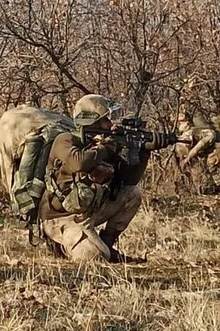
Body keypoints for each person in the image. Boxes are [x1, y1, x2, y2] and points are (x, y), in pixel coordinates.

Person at [38, 94, 174, 263]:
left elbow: (128, 180)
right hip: (60, 217)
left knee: (132, 194)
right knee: (96, 256)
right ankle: (60, 243)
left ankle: (107, 243)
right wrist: (107, 147)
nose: (110, 124)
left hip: (88, 210)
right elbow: (78, 163)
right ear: (91, 122)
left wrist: (144, 151)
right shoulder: (65, 140)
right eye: (105, 120)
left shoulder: (102, 142)